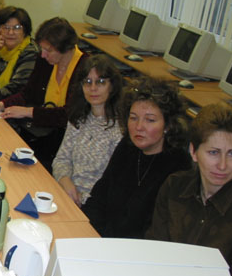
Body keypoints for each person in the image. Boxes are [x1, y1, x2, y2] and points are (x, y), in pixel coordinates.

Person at [146, 103, 232, 276]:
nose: (223, 165)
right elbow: (154, 253)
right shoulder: (174, 186)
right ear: (193, 152)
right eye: (213, 153)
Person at [82, 76, 192, 238]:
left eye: (150, 120)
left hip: (138, 247)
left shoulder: (179, 167)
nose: (139, 127)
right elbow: (99, 197)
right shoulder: (127, 146)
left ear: (168, 125)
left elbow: (156, 230)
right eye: (133, 118)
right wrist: (87, 231)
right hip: (102, 238)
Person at [0, 17, 89, 169]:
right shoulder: (45, 61)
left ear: (66, 49)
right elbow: (28, 93)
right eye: (42, 49)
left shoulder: (85, 68)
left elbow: (70, 115)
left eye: (48, 50)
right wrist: (2, 104)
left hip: (65, 142)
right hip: (43, 135)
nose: (43, 55)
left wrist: (28, 112)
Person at [52, 55, 123, 206]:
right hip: (66, 194)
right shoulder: (78, 118)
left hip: (93, 205)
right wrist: (65, 180)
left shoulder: (120, 130)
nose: (93, 88)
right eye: (88, 82)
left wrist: (81, 198)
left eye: (101, 82)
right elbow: (61, 159)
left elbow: (112, 185)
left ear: (112, 86)